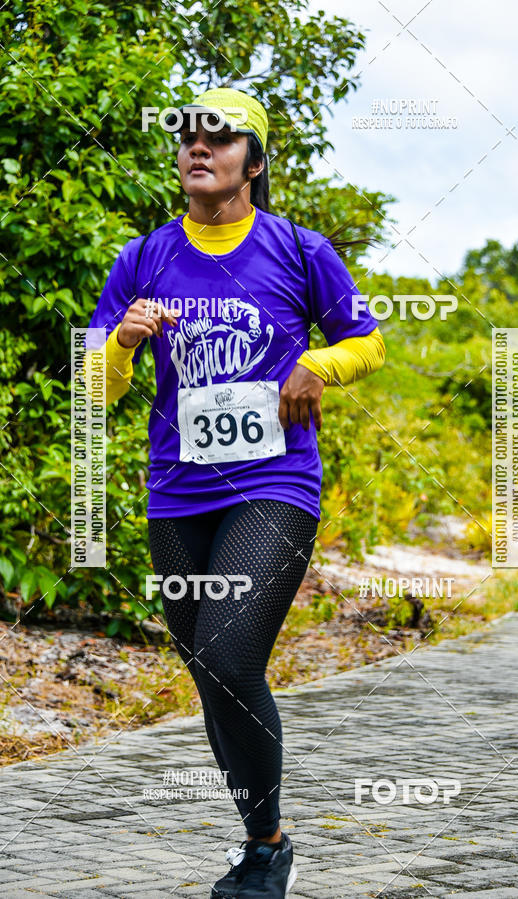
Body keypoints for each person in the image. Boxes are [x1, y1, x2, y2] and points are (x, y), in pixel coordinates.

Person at [83, 87, 385, 898]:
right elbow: (95, 387)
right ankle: (264, 843)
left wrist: (317, 366)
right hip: (178, 493)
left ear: (253, 163)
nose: (197, 148)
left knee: (226, 651)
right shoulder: (142, 259)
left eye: (219, 139)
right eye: (188, 136)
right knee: (211, 673)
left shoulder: (297, 247)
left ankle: (267, 848)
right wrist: (121, 340)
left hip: (274, 482)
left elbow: (367, 338)